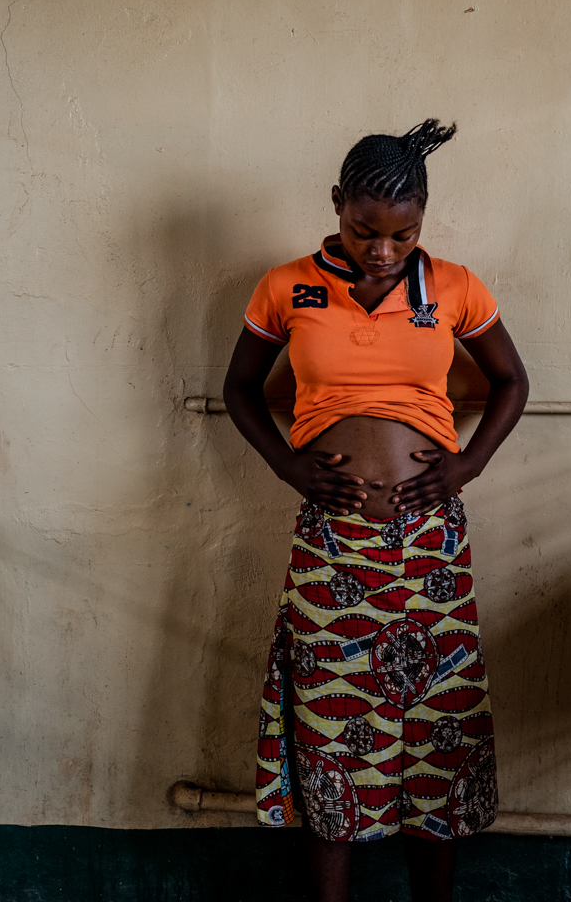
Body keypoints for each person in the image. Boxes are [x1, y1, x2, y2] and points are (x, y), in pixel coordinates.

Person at [223, 120, 530, 902]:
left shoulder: (455, 287)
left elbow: (511, 382)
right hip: (333, 543)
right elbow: (240, 388)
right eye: (365, 231)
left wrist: (467, 465)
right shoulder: (286, 287)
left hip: (430, 544)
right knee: (332, 729)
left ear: (422, 218)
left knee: (437, 725)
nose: (384, 250)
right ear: (337, 204)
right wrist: (289, 466)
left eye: (403, 233)